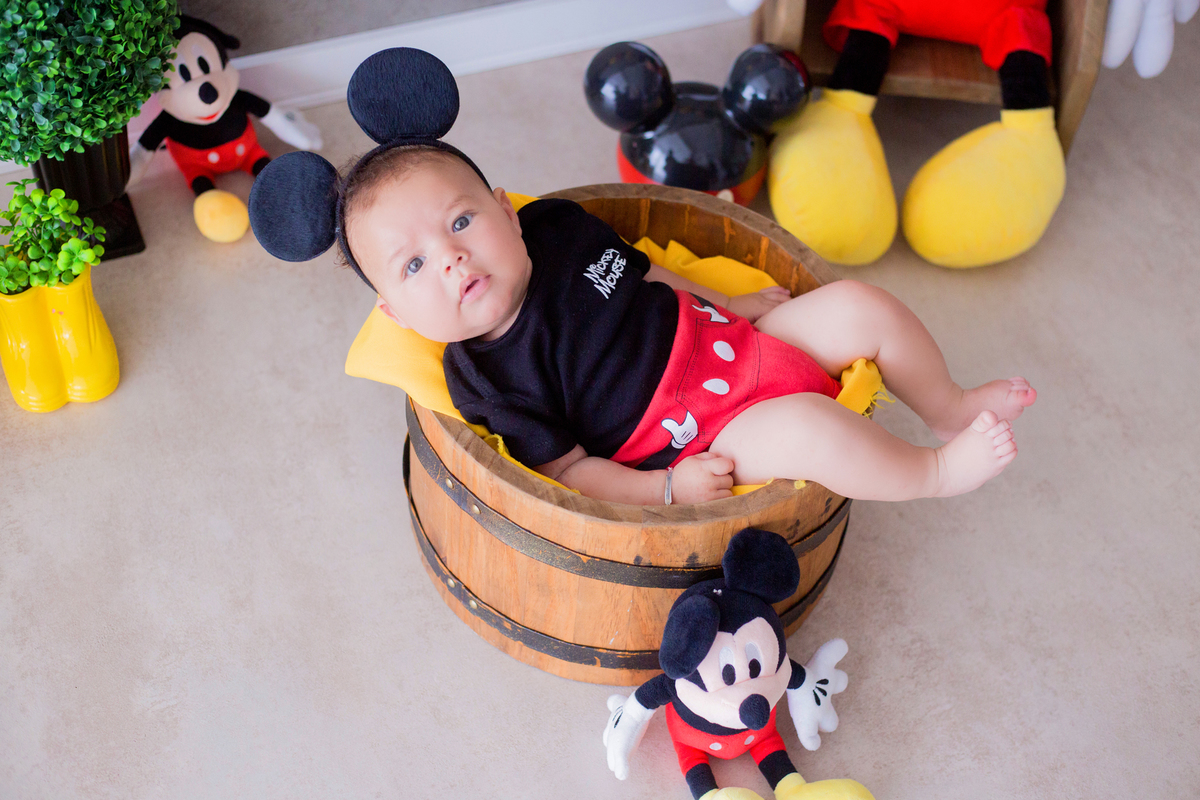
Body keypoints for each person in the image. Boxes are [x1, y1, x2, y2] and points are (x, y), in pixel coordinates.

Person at [338, 144, 1035, 507]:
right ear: (395, 313)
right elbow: (573, 473)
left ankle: (949, 405)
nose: (452, 257)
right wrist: (665, 491)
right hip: (700, 435)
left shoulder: (553, 229)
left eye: (461, 221)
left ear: (505, 208)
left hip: (731, 340)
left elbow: (646, 272)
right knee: (809, 431)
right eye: (413, 266)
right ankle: (935, 471)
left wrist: (728, 303)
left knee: (861, 305)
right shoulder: (485, 378)